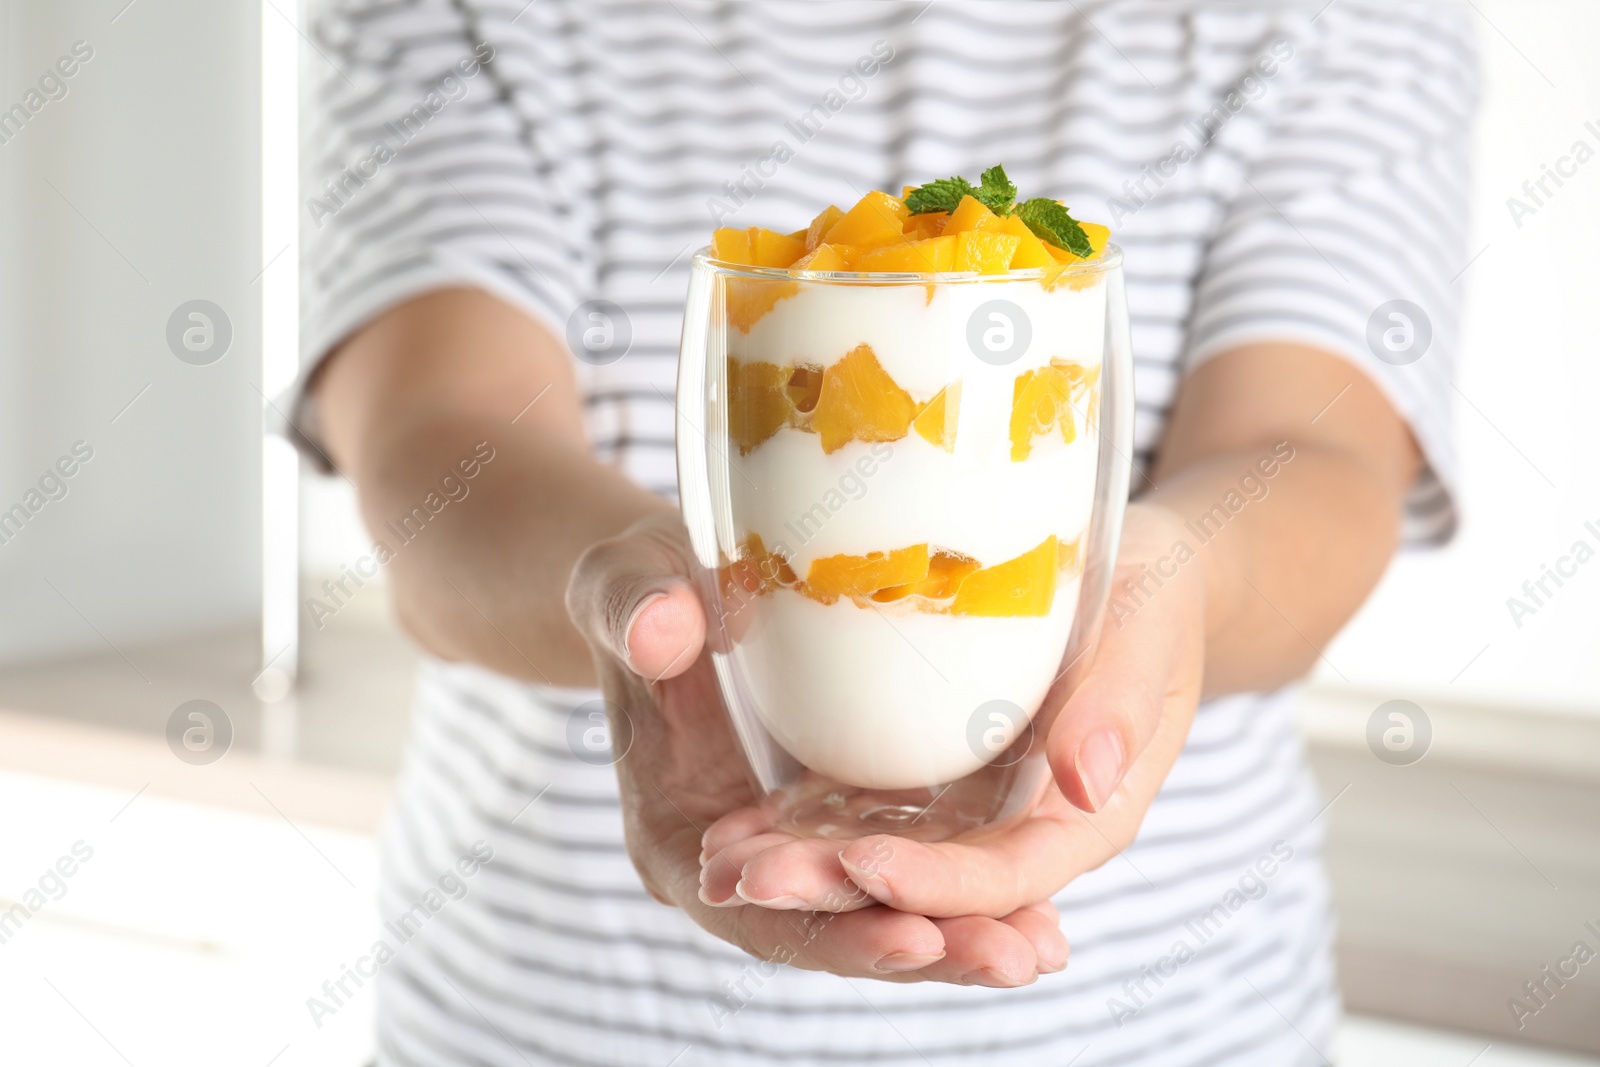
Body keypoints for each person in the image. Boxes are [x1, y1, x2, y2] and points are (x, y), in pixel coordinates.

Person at [292, 1, 1474, 1063]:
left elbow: (1315, 455)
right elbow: (442, 440)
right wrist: (658, 608)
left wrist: (1167, 580)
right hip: (546, 1012)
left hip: (1159, 1024)